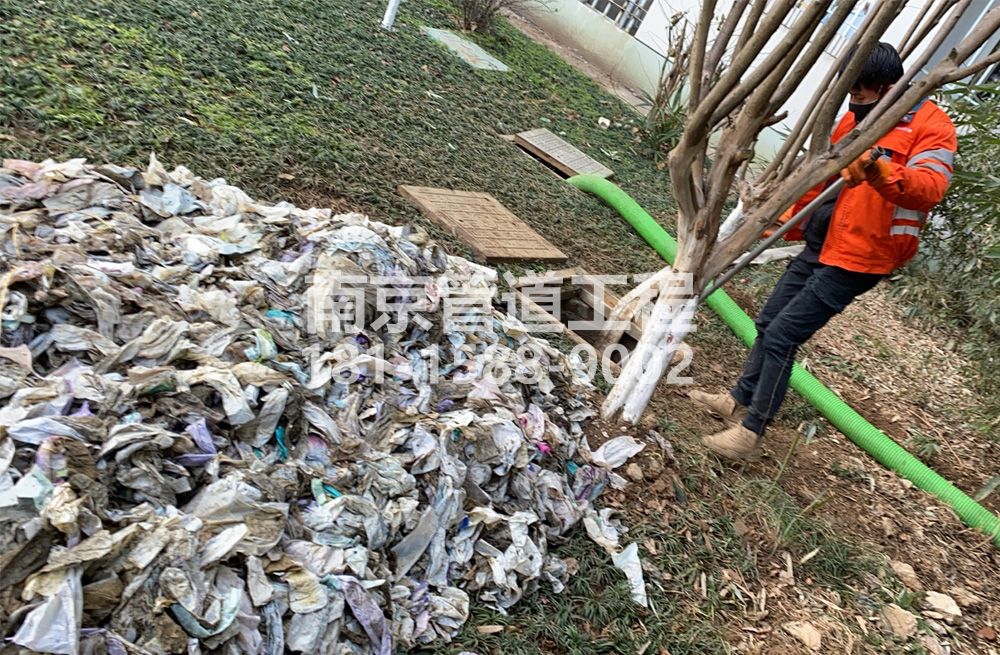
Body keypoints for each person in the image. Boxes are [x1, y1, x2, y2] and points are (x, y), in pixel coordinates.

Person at [689, 42, 957, 461]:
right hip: (825, 241)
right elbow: (820, 178)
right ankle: (735, 399)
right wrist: (785, 222)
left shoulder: (931, 126)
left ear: (889, 86)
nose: (855, 100)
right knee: (769, 320)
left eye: (863, 91)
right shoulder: (851, 118)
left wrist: (879, 168)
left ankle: (750, 434)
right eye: (851, 91)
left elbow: (929, 188)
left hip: (863, 256)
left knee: (783, 335)